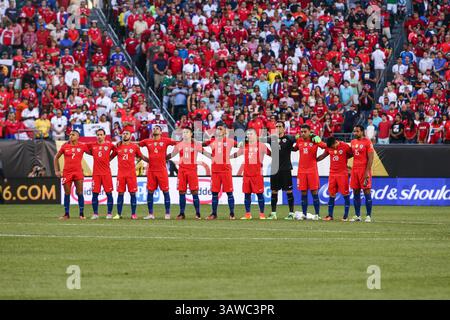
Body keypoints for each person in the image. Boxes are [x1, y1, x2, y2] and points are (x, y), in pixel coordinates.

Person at [231, 128, 271, 220]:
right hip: (247, 175)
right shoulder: (245, 146)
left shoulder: (261, 145)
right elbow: (237, 154)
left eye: (251, 134)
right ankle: (248, 214)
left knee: (259, 194)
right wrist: (227, 157)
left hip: (257, 175)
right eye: (247, 134)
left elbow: (272, 154)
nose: (249, 135)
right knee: (247, 195)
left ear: (256, 136)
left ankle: (262, 214)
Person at [139, 125, 176, 220]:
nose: (155, 129)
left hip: (162, 171)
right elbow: (137, 144)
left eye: (157, 128)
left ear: (160, 131)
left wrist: (169, 156)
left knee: (165, 191)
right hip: (151, 171)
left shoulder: (166, 140)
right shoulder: (147, 141)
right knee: (150, 191)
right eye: (154, 128)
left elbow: (178, 144)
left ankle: (167, 213)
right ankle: (151, 214)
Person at [167, 127, 204, 220]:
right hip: (182, 171)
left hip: (192, 171)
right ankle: (182, 213)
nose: (185, 134)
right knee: (181, 192)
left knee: (194, 192)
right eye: (183, 132)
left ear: (191, 134)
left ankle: (198, 213)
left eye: (187, 132)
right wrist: (162, 158)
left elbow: (205, 152)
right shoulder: (179, 145)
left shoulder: (196, 144)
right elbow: (172, 154)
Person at [202, 121, 237, 220]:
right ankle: (214, 214)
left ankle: (232, 213)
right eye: (217, 128)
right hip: (215, 171)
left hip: (226, 170)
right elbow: (200, 145)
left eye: (221, 128)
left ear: (225, 131)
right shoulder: (212, 141)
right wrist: (207, 154)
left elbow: (242, 146)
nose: (218, 130)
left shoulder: (230, 141)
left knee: (229, 193)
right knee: (214, 193)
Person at [53, 130, 89, 220]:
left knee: (80, 193)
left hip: (78, 172)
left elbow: (93, 152)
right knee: (67, 193)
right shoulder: (65, 146)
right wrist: (57, 170)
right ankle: (66, 214)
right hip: (67, 173)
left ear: (78, 137)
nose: (71, 136)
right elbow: (56, 157)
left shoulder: (82, 146)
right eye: (70, 135)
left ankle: (81, 214)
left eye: (73, 134)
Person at [113, 130, 148, 220]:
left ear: (130, 135)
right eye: (123, 134)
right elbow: (110, 157)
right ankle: (118, 214)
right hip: (121, 174)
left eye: (127, 134)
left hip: (131, 174)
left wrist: (150, 161)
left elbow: (141, 156)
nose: (125, 135)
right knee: (120, 193)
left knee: (132, 193)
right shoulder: (117, 147)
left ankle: (133, 214)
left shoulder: (135, 147)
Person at [294, 124, 326, 220]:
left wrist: (318, 139)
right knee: (303, 192)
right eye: (301, 132)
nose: (303, 133)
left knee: (314, 192)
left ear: (310, 131)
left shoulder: (314, 140)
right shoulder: (299, 140)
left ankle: (317, 214)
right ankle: (304, 214)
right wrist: (292, 139)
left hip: (312, 170)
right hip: (301, 171)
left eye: (305, 132)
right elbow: (294, 149)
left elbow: (325, 147)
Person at [317, 137, 353, 221]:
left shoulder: (345, 146)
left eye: (333, 146)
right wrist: (314, 160)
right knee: (331, 194)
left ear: (336, 142)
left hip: (342, 174)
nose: (332, 148)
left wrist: (345, 159)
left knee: (345, 194)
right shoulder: (329, 147)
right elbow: (323, 156)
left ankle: (345, 216)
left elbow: (352, 154)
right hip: (332, 173)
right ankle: (330, 215)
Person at [268, 121, 296, 220]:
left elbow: (299, 138)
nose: (277, 128)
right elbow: (257, 140)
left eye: (280, 126)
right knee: (274, 191)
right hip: (275, 169)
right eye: (276, 126)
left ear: (284, 128)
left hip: (286, 169)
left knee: (289, 191)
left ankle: (291, 213)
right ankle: (273, 213)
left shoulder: (289, 139)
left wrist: (312, 135)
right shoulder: (271, 139)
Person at [87, 129, 116, 220]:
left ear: (104, 136)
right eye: (98, 135)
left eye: (101, 135)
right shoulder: (92, 145)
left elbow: (116, 151)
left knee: (109, 193)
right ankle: (95, 214)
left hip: (106, 173)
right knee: (95, 194)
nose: (99, 136)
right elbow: (83, 148)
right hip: (96, 174)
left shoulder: (110, 145)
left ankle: (109, 213)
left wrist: (109, 159)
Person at [350, 125, 374, 223]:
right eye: (354, 131)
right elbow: (350, 154)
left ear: (362, 132)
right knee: (355, 193)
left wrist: (367, 172)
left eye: (357, 131)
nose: (355, 133)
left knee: (366, 192)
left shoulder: (367, 142)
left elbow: (371, 158)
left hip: (364, 170)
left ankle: (368, 216)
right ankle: (357, 215)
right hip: (355, 170)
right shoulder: (353, 142)